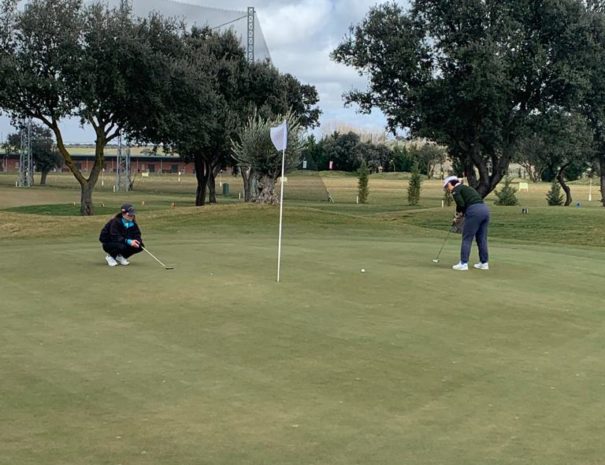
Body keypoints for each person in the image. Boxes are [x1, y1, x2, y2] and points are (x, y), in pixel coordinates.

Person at [443, 176, 490, 271]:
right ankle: (484, 263)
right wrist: (460, 214)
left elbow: (461, 204)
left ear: (449, 184)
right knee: (481, 238)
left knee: (467, 238)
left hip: (474, 211)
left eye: (446, 187)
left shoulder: (455, 190)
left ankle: (463, 263)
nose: (447, 190)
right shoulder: (467, 188)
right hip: (485, 210)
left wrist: (458, 216)